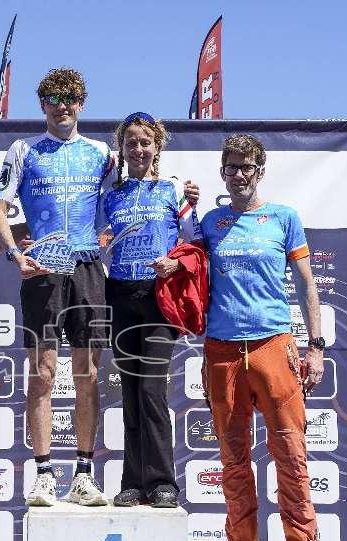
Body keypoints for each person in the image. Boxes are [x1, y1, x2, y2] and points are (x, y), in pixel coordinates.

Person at [198, 134, 329, 541]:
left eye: (246, 167)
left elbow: (307, 284)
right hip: (221, 349)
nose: (238, 175)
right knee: (233, 458)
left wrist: (316, 346)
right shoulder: (210, 222)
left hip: (274, 344)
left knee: (290, 452)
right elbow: (187, 269)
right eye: (231, 167)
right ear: (222, 172)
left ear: (260, 170)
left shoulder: (284, 218)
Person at [0, 67, 114, 507]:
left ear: (81, 103)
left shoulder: (102, 153)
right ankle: (43, 473)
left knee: (88, 374)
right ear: (43, 104)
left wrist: (178, 192)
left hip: (87, 268)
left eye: (70, 98)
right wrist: (14, 254)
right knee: (42, 373)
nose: (63, 106)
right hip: (42, 269)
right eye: (54, 99)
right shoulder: (23, 150)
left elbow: (125, 200)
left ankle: (83, 474)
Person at [100, 112, 199, 508]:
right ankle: (132, 482)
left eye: (145, 142)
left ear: (157, 147)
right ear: (122, 149)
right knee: (129, 390)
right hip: (120, 294)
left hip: (159, 298)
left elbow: (195, 242)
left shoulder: (175, 189)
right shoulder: (110, 195)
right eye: (131, 143)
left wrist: (175, 263)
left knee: (151, 389)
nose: (138, 149)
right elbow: (93, 238)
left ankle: (162, 482)